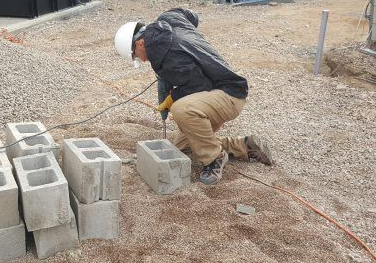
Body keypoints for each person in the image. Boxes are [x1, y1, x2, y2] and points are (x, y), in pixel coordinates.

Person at [114, 9, 273, 185]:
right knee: (183, 147)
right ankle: (244, 146)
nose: (141, 61)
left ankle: (215, 159)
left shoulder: (170, 60)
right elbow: (191, 16)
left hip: (229, 95)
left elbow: (199, 86)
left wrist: (172, 97)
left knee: (181, 110)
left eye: (136, 56)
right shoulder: (169, 19)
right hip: (217, 89)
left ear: (141, 43)